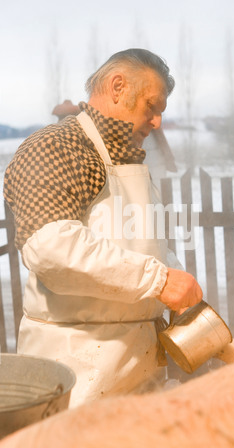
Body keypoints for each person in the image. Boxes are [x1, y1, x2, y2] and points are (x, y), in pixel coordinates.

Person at [4, 49, 203, 407]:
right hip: (76, 376)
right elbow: (51, 248)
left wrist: (172, 273)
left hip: (140, 369)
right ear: (117, 86)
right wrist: (159, 281)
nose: (157, 122)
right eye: (151, 106)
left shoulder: (129, 156)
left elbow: (141, 243)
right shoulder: (56, 147)